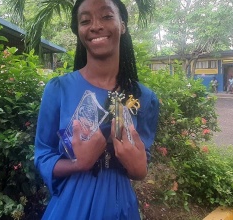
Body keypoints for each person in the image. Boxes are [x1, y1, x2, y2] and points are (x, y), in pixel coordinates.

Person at [34, 0, 159, 219]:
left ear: (122, 25)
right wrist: (79, 163)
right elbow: (43, 156)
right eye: (85, 20)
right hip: (70, 207)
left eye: (106, 16)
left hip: (121, 208)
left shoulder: (144, 98)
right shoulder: (59, 89)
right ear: (80, 31)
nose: (95, 26)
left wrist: (138, 168)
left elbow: (141, 165)